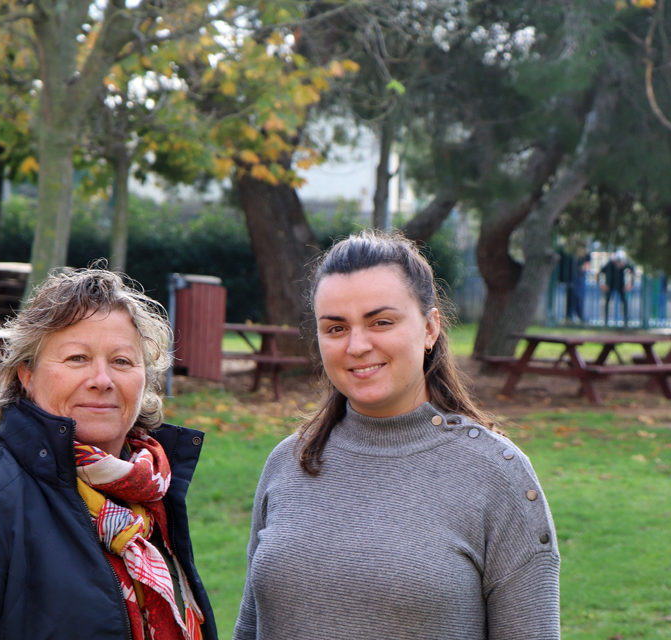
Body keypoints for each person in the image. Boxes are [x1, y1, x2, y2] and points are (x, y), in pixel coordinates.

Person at [232, 230, 560, 640]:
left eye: (381, 322)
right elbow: (249, 627)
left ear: (430, 328)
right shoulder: (290, 462)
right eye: (335, 328)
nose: (357, 345)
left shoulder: (498, 476)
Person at [0, 265, 217, 640]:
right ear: (27, 375)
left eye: (122, 361)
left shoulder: (152, 495)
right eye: (77, 358)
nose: (102, 380)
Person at [599, 249, 634, 326]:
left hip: (621, 286)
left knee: (624, 302)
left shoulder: (625, 265)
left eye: (621, 262)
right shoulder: (609, 264)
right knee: (607, 302)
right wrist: (602, 284)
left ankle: (625, 321)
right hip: (610, 285)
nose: (620, 264)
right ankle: (605, 321)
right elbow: (600, 272)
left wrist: (630, 284)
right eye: (618, 262)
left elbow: (633, 272)